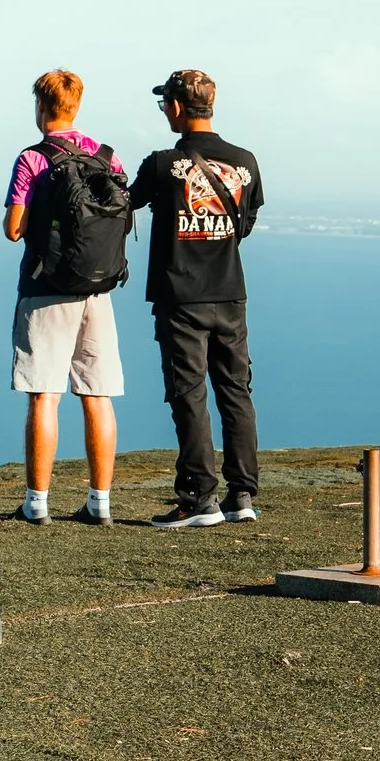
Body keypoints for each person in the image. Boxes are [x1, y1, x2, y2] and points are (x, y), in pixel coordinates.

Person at [127, 68, 264, 528]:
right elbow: (246, 223)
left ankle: (199, 498)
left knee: (188, 395)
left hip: (180, 297)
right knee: (236, 392)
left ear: (177, 107)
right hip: (230, 293)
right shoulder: (246, 162)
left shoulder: (162, 164)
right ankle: (241, 495)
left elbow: (123, 204)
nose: (164, 111)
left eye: (164, 103)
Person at [2, 68, 131, 525]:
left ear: (41, 106)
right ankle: (100, 503)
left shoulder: (33, 159)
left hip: (46, 290)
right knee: (98, 396)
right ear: (76, 106)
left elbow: (13, 229)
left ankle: (37, 503)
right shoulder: (107, 157)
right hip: (98, 290)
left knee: (44, 396)